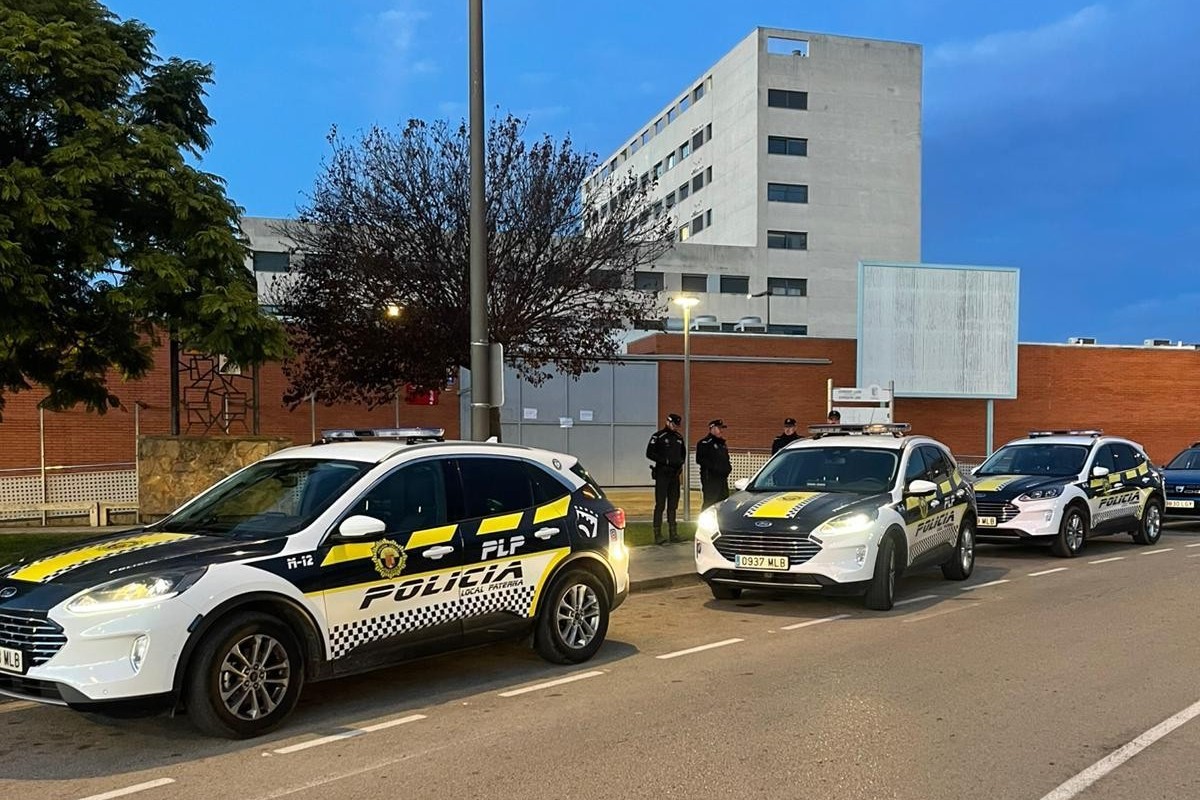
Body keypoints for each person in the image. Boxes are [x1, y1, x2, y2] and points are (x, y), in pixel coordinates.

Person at [645, 413, 686, 545]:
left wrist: (679, 464)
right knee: (660, 504)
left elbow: (682, 455)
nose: (675, 427)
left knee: (673, 505)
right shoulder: (658, 436)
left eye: (677, 425)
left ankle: (673, 533)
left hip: (674, 476)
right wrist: (665, 461)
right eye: (673, 424)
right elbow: (649, 453)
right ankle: (657, 534)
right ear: (668, 422)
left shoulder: (679, 438)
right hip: (662, 475)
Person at [696, 419, 732, 509]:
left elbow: (726, 459)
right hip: (711, 479)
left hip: (722, 479)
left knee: (723, 502)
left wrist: (727, 468)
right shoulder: (705, 443)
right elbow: (700, 459)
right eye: (719, 428)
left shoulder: (722, 444)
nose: (721, 431)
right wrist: (715, 468)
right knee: (710, 502)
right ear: (712, 428)